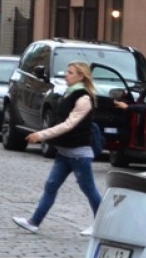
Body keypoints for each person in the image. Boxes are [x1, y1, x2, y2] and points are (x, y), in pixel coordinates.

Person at [13, 61, 104, 236]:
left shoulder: (83, 98)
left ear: (80, 76)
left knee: (89, 189)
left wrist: (41, 135)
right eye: (67, 72)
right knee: (51, 185)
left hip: (78, 154)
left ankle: (101, 226)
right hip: (64, 152)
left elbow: (68, 125)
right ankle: (34, 222)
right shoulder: (69, 93)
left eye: (70, 72)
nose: (66, 75)